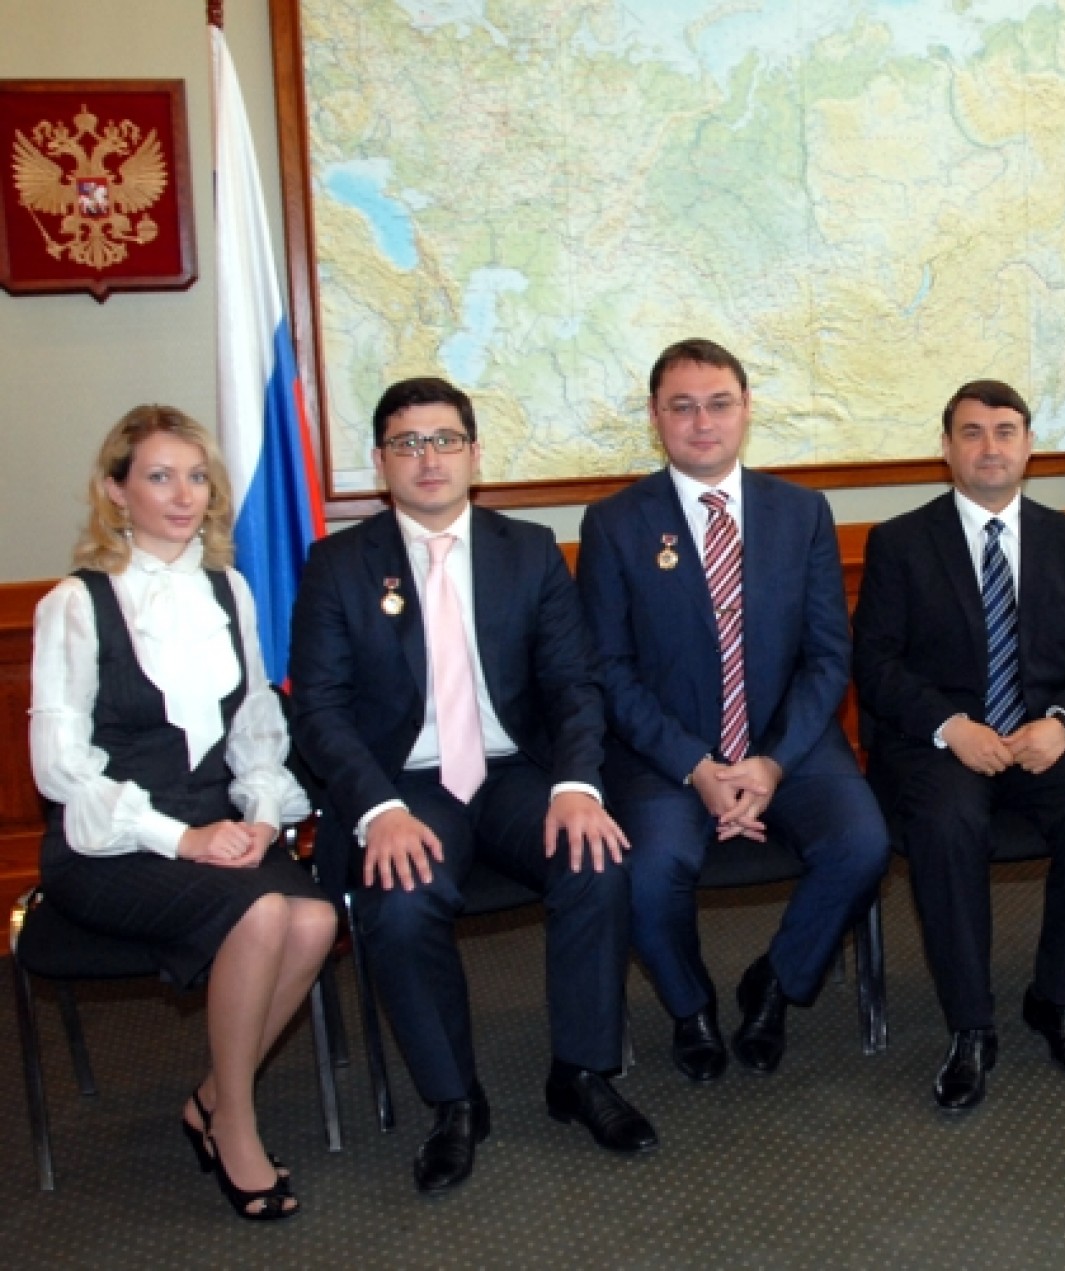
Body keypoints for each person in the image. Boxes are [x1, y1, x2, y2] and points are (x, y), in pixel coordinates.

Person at [289, 377, 653, 1196]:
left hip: (515, 772)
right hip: (404, 784)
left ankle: (583, 1073)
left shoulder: (529, 549)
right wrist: (376, 809)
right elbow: (318, 708)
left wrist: (576, 784)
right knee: (400, 898)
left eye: (445, 440)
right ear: (381, 461)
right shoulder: (339, 564)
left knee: (597, 861)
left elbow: (574, 686)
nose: (429, 458)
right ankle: (455, 1101)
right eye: (408, 443)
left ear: (475, 454)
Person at [29, 406, 335, 1221]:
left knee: (314, 920)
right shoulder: (75, 602)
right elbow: (61, 768)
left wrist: (263, 814)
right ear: (114, 490)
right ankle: (236, 1123)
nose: (182, 494)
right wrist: (183, 837)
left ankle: (209, 1098)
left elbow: (256, 727)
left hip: (218, 819)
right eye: (159, 476)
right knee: (263, 913)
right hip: (112, 839)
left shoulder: (228, 588)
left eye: (196, 477)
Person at [577, 338, 888, 1083]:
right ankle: (691, 1007)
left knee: (862, 843)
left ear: (746, 409)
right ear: (656, 416)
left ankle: (775, 982)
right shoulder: (615, 523)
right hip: (665, 754)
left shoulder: (801, 513)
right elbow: (608, 669)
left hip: (789, 744)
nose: (702, 422)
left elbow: (827, 656)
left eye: (719, 403)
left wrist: (772, 762)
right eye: (682, 407)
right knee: (648, 870)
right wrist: (695, 766)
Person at [853, 380, 1065, 1112]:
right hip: (942, 744)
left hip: (1044, 738)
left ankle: (1058, 1000)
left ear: (1029, 446)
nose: (990, 447)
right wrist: (952, 727)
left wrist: (1062, 725)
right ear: (946, 447)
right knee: (947, 824)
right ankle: (970, 1026)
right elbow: (876, 664)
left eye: (1005, 431)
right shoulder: (900, 542)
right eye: (971, 432)